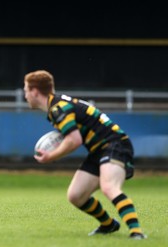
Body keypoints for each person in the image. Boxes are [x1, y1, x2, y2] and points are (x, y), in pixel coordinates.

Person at [23, 70, 146, 239]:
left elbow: (74, 140)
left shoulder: (58, 108)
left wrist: (50, 157)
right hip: (98, 150)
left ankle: (136, 233)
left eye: (26, 91)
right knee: (76, 195)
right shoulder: (58, 104)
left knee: (109, 187)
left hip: (115, 144)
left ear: (35, 91)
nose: (25, 96)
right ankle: (108, 225)